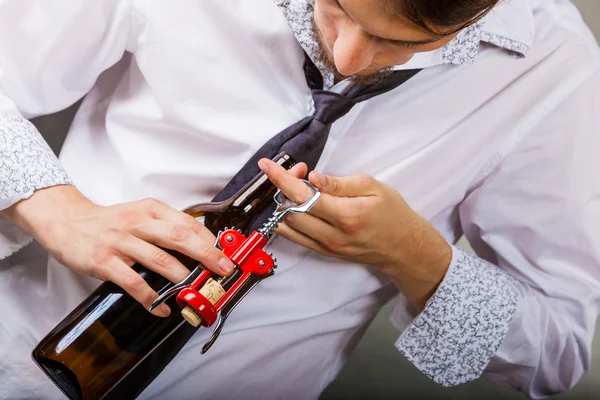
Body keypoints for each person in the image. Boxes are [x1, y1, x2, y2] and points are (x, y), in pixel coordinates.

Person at [0, 0, 598, 398]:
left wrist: (415, 257)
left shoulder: (556, 68)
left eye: (410, 41)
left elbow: (555, 354)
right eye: (336, 6)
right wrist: (55, 208)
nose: (349, 60)